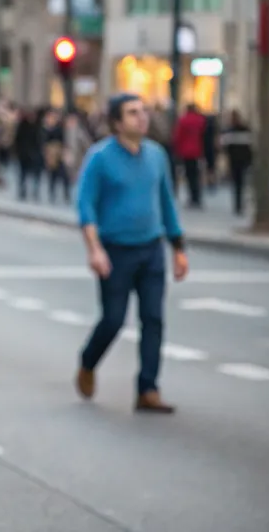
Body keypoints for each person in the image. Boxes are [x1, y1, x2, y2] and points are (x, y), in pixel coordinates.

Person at [75, 94, 189, 414]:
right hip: (115, 251)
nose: (142, 118)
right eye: (132, 113)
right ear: (116, 122)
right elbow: (86, 207)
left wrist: (178, 249)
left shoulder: (156, 156)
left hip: (151, 249)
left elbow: (166, 203)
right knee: (113, 320)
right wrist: (94, 250)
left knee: (153, 319)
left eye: (143, 112)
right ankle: (88, 362)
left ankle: (148, 389)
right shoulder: (100, 158)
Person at [220, 109, 252, 215]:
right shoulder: (245, 129)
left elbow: (225, 147)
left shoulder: (230, 130)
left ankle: (238, 204)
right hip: (242, 161)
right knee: (241, 183)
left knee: (237, 184)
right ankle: (239, 204)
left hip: (235, 161)